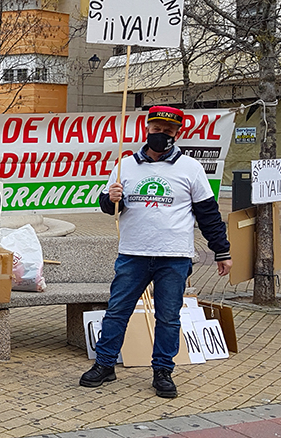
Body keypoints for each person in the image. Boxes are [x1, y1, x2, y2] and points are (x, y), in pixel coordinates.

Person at [79, 105, 232, 399]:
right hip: (133, 254)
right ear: (147, 129)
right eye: (156, 129)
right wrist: (110, 199)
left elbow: (208, 214)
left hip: (174, 257)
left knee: (169, 317)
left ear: (177, 133)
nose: (161, 135)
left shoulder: (191, 168)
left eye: (168, 131)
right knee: (117, 312)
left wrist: (221, 251)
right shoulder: (125, 165)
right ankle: (104, 364)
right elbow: (109, 208)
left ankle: (163, 371)